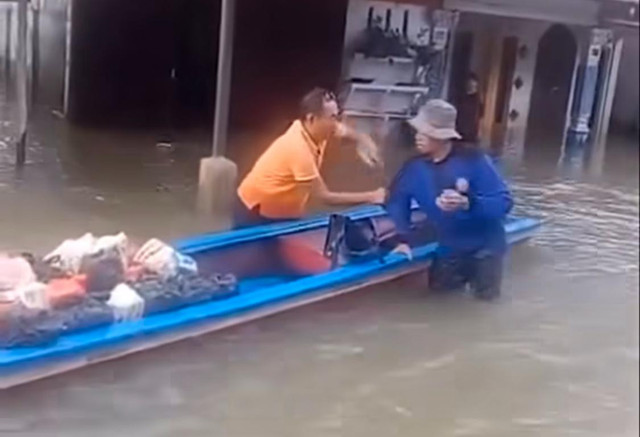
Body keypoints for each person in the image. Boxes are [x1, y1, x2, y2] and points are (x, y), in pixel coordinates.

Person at [386, 99, 513, 301]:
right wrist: (403, 239)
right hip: (449, 246)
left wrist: (468, 203)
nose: (418, 136)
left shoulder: (475, 161)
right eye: (418, 130)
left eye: (425, 132)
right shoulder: (413, 168)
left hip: (486, 247)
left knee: (484, 307)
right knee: (439, 302)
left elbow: (504, 203)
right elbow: (397, 202)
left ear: (442, 136)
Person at [236, 88, 386, 228]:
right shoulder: (298, 149)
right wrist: (372, 196)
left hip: (284, 211)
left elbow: (346, 132)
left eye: (337, 116)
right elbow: (324, 197)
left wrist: (363, 140)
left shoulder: (317, 129)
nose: (336, 123)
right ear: (312, 119)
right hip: (255, 211)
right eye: (332, 117)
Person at [456, 73, 484, 144]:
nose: (472, 86)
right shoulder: (461, 97)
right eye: (470, 83)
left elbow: (480, 117)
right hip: (460, 129)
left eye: (474, 84)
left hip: (471, 132)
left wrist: (479, 132)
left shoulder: (477, 100)